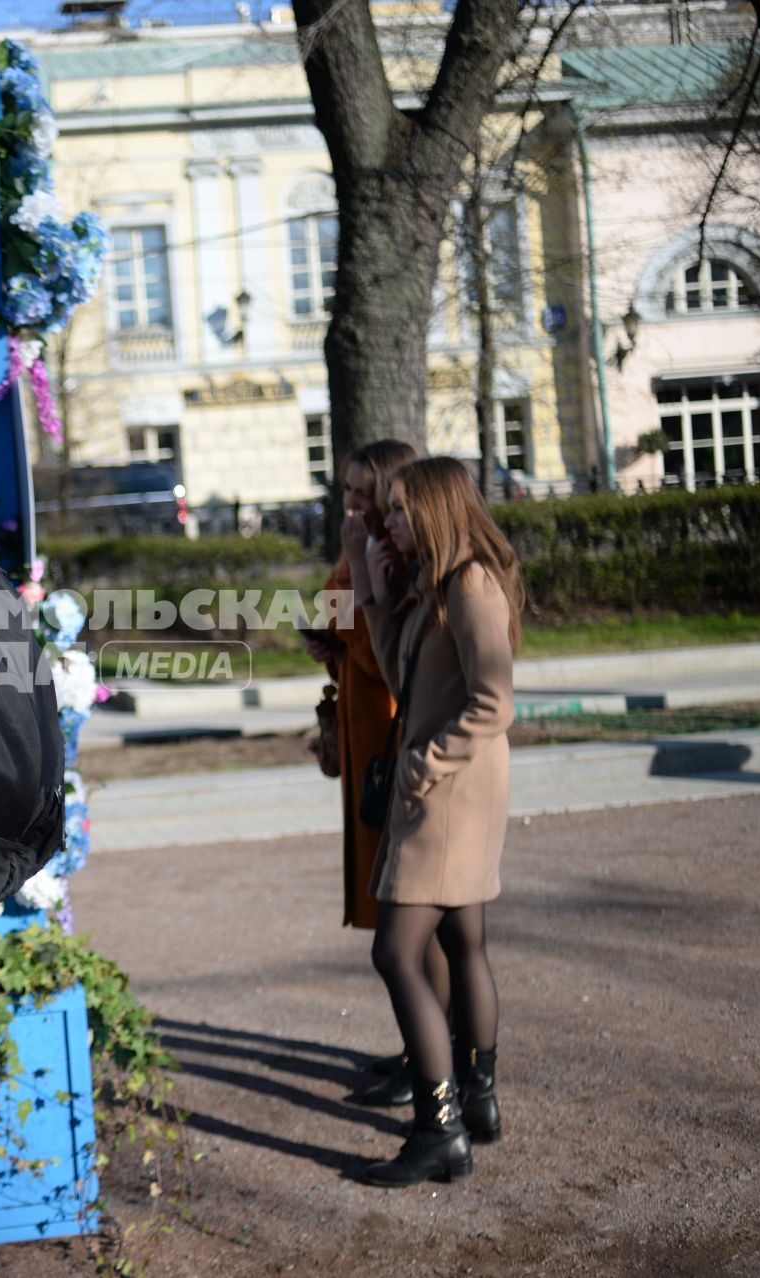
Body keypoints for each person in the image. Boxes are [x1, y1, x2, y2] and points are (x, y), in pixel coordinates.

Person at [356, 456, 522, 1187]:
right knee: (461, 939)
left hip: (450, 791)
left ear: (432, 509)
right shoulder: (437, 586)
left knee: (396, 951)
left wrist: (425, 763)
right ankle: (477, 1102)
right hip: (451, 785)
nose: (387, 521)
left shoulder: (473, 584)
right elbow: (401, 681)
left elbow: (494, 700)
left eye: (396, 510)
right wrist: (377, 589)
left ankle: (439, 1128)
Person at [309, 441, 452, 1108]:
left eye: (364, 493)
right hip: (361, 728)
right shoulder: (357, 547)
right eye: (349, 491)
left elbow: (385, 651)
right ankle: (414, 1051)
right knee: (395, 915)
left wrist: (343, 635)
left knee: (414, 921)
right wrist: (325, 640)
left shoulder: (393, 555)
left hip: (392, 734)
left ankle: (436, 1059)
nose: (353, 504)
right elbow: (349, 630)